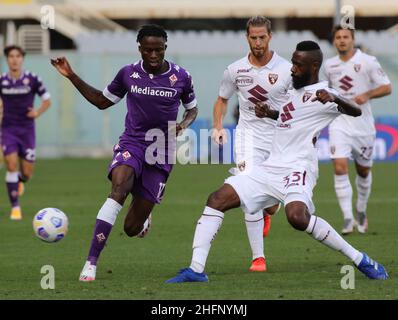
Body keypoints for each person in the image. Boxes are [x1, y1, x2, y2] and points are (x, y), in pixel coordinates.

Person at [166, 41, 388, 283]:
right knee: (216, 199)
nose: (292, 69)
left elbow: (356, 110)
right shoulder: (293, 92)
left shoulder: (325, 92)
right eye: (292, 62)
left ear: (314, 66)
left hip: (298, 168)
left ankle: (360, 259)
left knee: (297, 218)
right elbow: (290, 118)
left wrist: (335, 97)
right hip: (270, 167)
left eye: (297, 64)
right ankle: (196, 269)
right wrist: (270, 113)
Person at [51, 24, 198, 282]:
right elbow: (101, 101)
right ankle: (91, 262)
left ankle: (144, 217)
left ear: (166, 48)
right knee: (118, 189)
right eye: (148, 50)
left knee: (131, 228)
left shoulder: (182, 76)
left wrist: (184, 124)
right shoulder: (128, 74)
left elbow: (192, 109)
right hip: (132, 143)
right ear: (139, 48)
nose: (153, 55)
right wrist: (71, 75)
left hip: (161, 152)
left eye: (158, 50)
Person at [212, 16, 291, 272]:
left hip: (279, 138)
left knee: (270, 203)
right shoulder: (235, 70)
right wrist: (218, 126)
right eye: (253, 37)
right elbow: (222, 100)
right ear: (247, 38)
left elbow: (296, 107)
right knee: (249, 193)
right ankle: (259, 258)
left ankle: (270, 210)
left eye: (262, 37)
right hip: (247, 137)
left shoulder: (287, 69)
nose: (258, 42)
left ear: (270, 37)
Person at [324, 26, 392, 235]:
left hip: (362, 126)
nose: (342, 40)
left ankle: (361, 209)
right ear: (334, 41)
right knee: (339, 167)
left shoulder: (367, 61)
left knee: (363, 171)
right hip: (339, 123)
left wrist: (367, 94)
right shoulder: (329, 65)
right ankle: (347, 218)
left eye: (346, 37)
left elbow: (387, 86)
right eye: (338, 37)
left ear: (353, 40)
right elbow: (323, 91)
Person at [0, 45, 51, 220]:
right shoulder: (2, 81)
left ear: (22, 59)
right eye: (11, 56)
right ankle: (15, 208)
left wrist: (37, 112)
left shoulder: (32, 79)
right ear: (7, 59)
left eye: (18, 56)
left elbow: (47, 100)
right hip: (7, 129)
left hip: (27, 131)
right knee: (11, 165)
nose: (14, 59)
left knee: (27, 173)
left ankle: (20, 182)